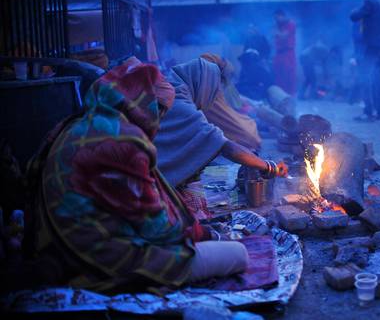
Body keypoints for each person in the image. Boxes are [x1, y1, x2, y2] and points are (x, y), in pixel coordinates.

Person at [27, 59, 252, 292]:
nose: (160, 120)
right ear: (145, 103)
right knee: (237, 254)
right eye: (161, 110)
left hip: (56, 249)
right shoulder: (124, 140)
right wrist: (206, 235)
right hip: (94, 257)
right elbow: (160, 230)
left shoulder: (74, 124)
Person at [154, 58, 287, 188]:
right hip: (150, 181)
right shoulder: (182, 106)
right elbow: (226, 147)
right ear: (204, 84)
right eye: (212, 90)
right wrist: (269, 167)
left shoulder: (173, 87)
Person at [199, 53, 262, 151]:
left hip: (226, 118)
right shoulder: (205, 86)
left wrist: (252, 103)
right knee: (249, 135)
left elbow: (231, 103)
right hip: (216, 126)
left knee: (249, 122)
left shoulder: (216, 85)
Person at [350, 0, 380, 121]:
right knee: (378, 78)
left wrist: (355, 9)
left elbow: (354, 16)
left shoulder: (369, 2)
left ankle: (368, 111)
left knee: (365, 77)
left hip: (371, 46)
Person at [273, 9, 297, 95]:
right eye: (275, 18)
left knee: (289, 75)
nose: (276, 20)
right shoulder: (279, 26)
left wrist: (276, 31)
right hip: (279, 53)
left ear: (282, 16)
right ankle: (281, 95)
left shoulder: (290, 24)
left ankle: (291, 95)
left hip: (288, 53)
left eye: (277, 17)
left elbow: (284, 36)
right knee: (279, 75)